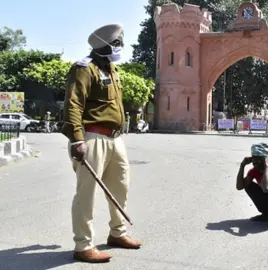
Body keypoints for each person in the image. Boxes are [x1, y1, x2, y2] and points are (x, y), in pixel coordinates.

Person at [62, 23, 142, 264]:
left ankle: (118, 233)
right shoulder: (84, 69)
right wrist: (77, 140)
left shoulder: (112, 70)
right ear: (103, 45)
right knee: (86, 193)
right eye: (116, 44)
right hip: (91, 137)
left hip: (115, 138)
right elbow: (73, 104)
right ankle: (83, 245)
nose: (120, 48)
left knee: (120, 186)